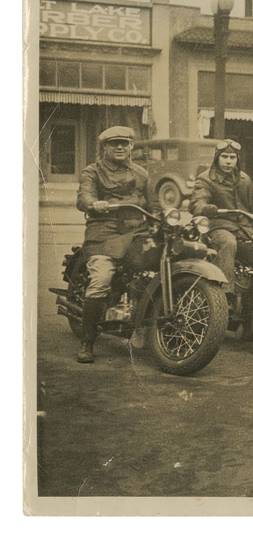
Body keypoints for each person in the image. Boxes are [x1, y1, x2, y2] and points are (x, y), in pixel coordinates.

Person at [75, 126, 159, 363]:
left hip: (136, 231)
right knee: (101, 278)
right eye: (114, 144)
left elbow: (153, 204)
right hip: (104, 232)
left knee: (154, 267)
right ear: (105, 147)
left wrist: (161, 215)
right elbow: (84, 197)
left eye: (124, 143)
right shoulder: (93, 171)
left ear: (131, 146)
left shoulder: (141, 173)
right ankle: (87, 341)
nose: (120, 147)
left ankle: (141, 325)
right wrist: (94, 203)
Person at [188, 139, 253, 291]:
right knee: (228, 243)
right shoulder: (206, 178)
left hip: (243, 229)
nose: (228, 161)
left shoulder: (244, 179)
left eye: (232, 157)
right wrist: (205, 208)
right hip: (218, 228)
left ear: (237, 159)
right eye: (224, 157)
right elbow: (197, 202)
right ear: (217, 157)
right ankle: (224, 292)